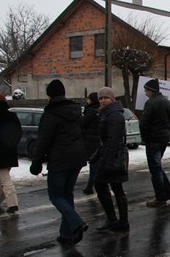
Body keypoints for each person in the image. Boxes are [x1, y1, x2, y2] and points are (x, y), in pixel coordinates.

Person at [30, 79, 88, 245]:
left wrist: (36, 163)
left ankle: (76, 223)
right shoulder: (76, 111)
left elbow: (43, 141)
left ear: (50, 95)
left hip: (59, 160)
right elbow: (81, 133)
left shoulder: (50, 114)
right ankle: (67, 234)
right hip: (76, 159)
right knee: (66, 195)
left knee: (56, 196)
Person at [93, 87, 130, 232]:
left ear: (112, 99)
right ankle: (119, 221)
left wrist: (106, 161)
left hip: (113, 156)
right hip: (110, 154)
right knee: (115, 187)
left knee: (102, 185)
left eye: (106, 98)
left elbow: (113, 140)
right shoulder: (108, 113)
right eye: (101, 98)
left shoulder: (113, 115)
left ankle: (115, 220)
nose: (103, 100)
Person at [140, 78, 170, 208]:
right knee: (157, 166)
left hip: (153, 139)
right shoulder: (168, 102)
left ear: (151, 91)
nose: (145, 93)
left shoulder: (150, 103)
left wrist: (144, 138)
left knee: (155, 169)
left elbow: (144, 123)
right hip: (164, 138)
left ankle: (160, 198)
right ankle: (168, 189)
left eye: (146, 90)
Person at [81, 92, 100, 194]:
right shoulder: (99, 110)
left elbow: (82, 123)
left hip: (91, 141)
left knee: (93, 164)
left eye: (88, 99)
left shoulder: (91, 112)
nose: (86, 100)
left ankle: (91, 186)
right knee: (95, 164)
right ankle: (92, 185)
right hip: (97, 140)